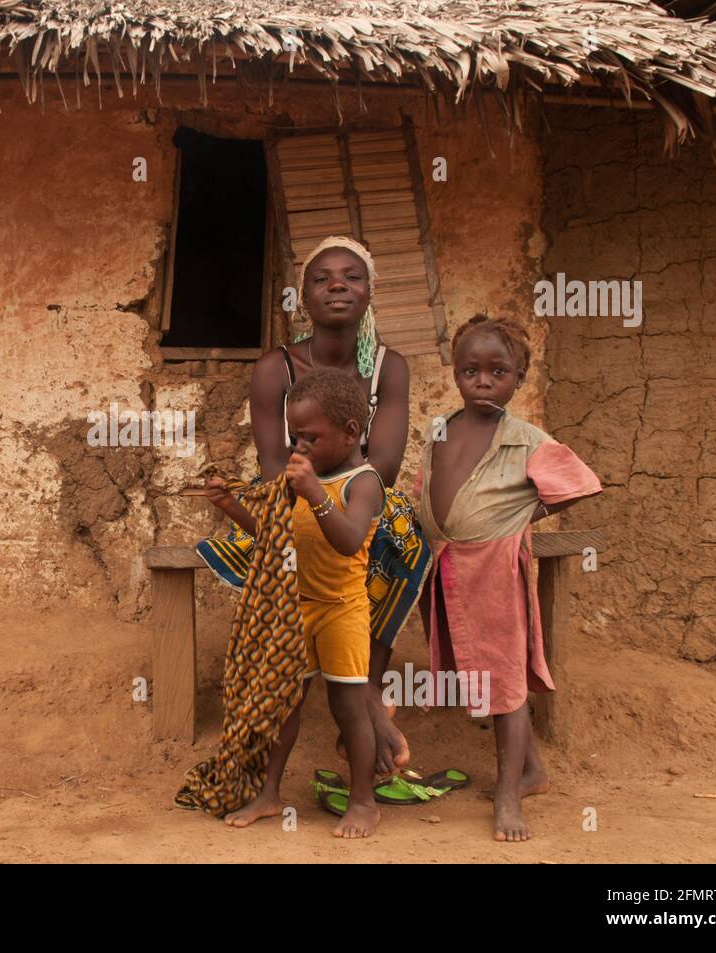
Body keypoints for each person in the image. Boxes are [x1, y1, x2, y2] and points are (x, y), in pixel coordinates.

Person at [198, 235, 430, 776]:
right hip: (290, 490)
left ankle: (364, 686)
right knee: (274, 541)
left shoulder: (389, 367)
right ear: (303, 296)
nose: (337, 286)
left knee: (400, 535)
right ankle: (361, 699)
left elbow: (386, 465)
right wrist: (307, 498)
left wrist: (330, 494)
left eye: (351, 276)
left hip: (362, 491)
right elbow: (277, 462)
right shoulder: (273, 368)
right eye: (322, 279)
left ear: (370, 291)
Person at [412, 314, 602, 842]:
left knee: (504, 683)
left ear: (519, 375)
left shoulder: (526, 439)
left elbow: (581, 483)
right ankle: (533, 770)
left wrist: (522, 517)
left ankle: (509, 797)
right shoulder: (440, 429)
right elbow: (428, 484)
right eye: (470, 369)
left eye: (498, 370)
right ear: (455, 373)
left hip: (492, 569)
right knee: (482, 673)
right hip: (446, 565)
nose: (483, 380)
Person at [206, 368, 385, 838]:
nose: (299, 447)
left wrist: (314, 493)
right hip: (296, 607)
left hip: (342, 609)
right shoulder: (299, 479)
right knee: (286, 703)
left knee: (350, 708)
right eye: (294, 437)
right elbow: (269, 535)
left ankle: (364, 802)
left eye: (310, 437)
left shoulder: (362, 482)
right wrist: (229, 506)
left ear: (350, 433)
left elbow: (348, 542)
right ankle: (269, 794)